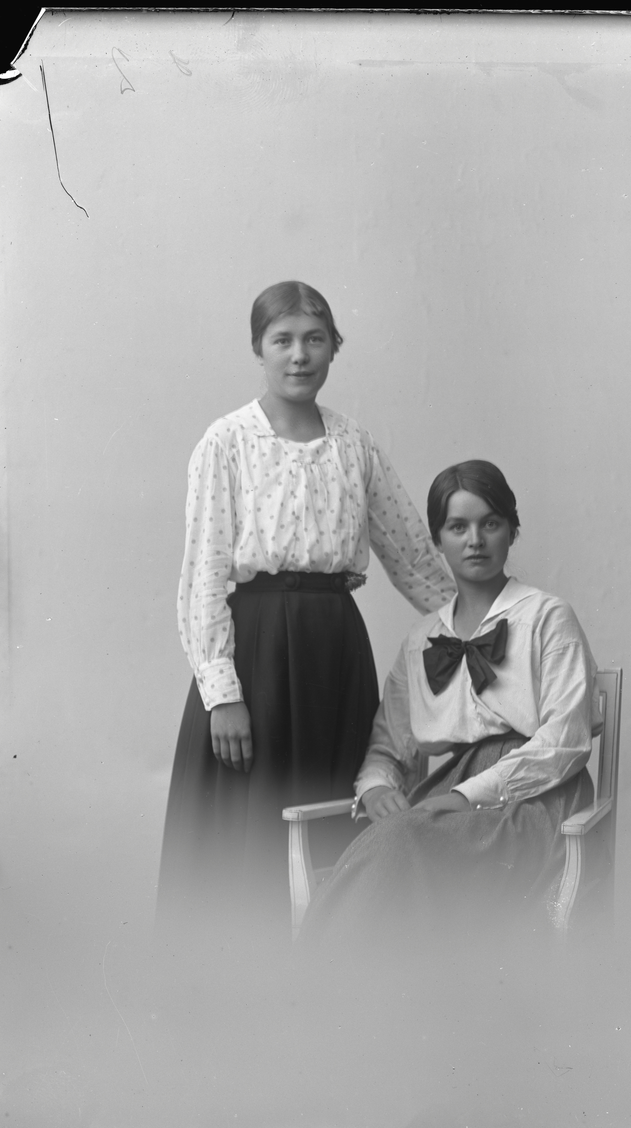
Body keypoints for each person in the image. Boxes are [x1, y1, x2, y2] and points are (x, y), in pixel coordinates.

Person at [156, 281, 455, 953]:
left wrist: (481, 629)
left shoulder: (355, 445)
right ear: (258, 348)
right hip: (256, 656)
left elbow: (411, 554)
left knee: (332, 820)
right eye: (283, 340)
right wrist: (222, 694)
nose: (299, 355)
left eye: (314, 339)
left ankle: (330, 974)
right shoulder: (226, 442)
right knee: (251, 831)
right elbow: (203, 573)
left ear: (333, 348)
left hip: (334, 653)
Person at [296, 460, 602, 968]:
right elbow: (386, 747)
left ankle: (310, 981)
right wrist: (375, 789)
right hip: (453, 788)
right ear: (438, 540)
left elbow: (565, 741)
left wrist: (464, 797)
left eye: (490, 523)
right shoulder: (422, 641)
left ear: (512, 531)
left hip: (537, 799)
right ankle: (330, 989)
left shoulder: (547, 616)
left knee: (401, 841)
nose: (475, 540)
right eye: (458, 527)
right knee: (388, 837)